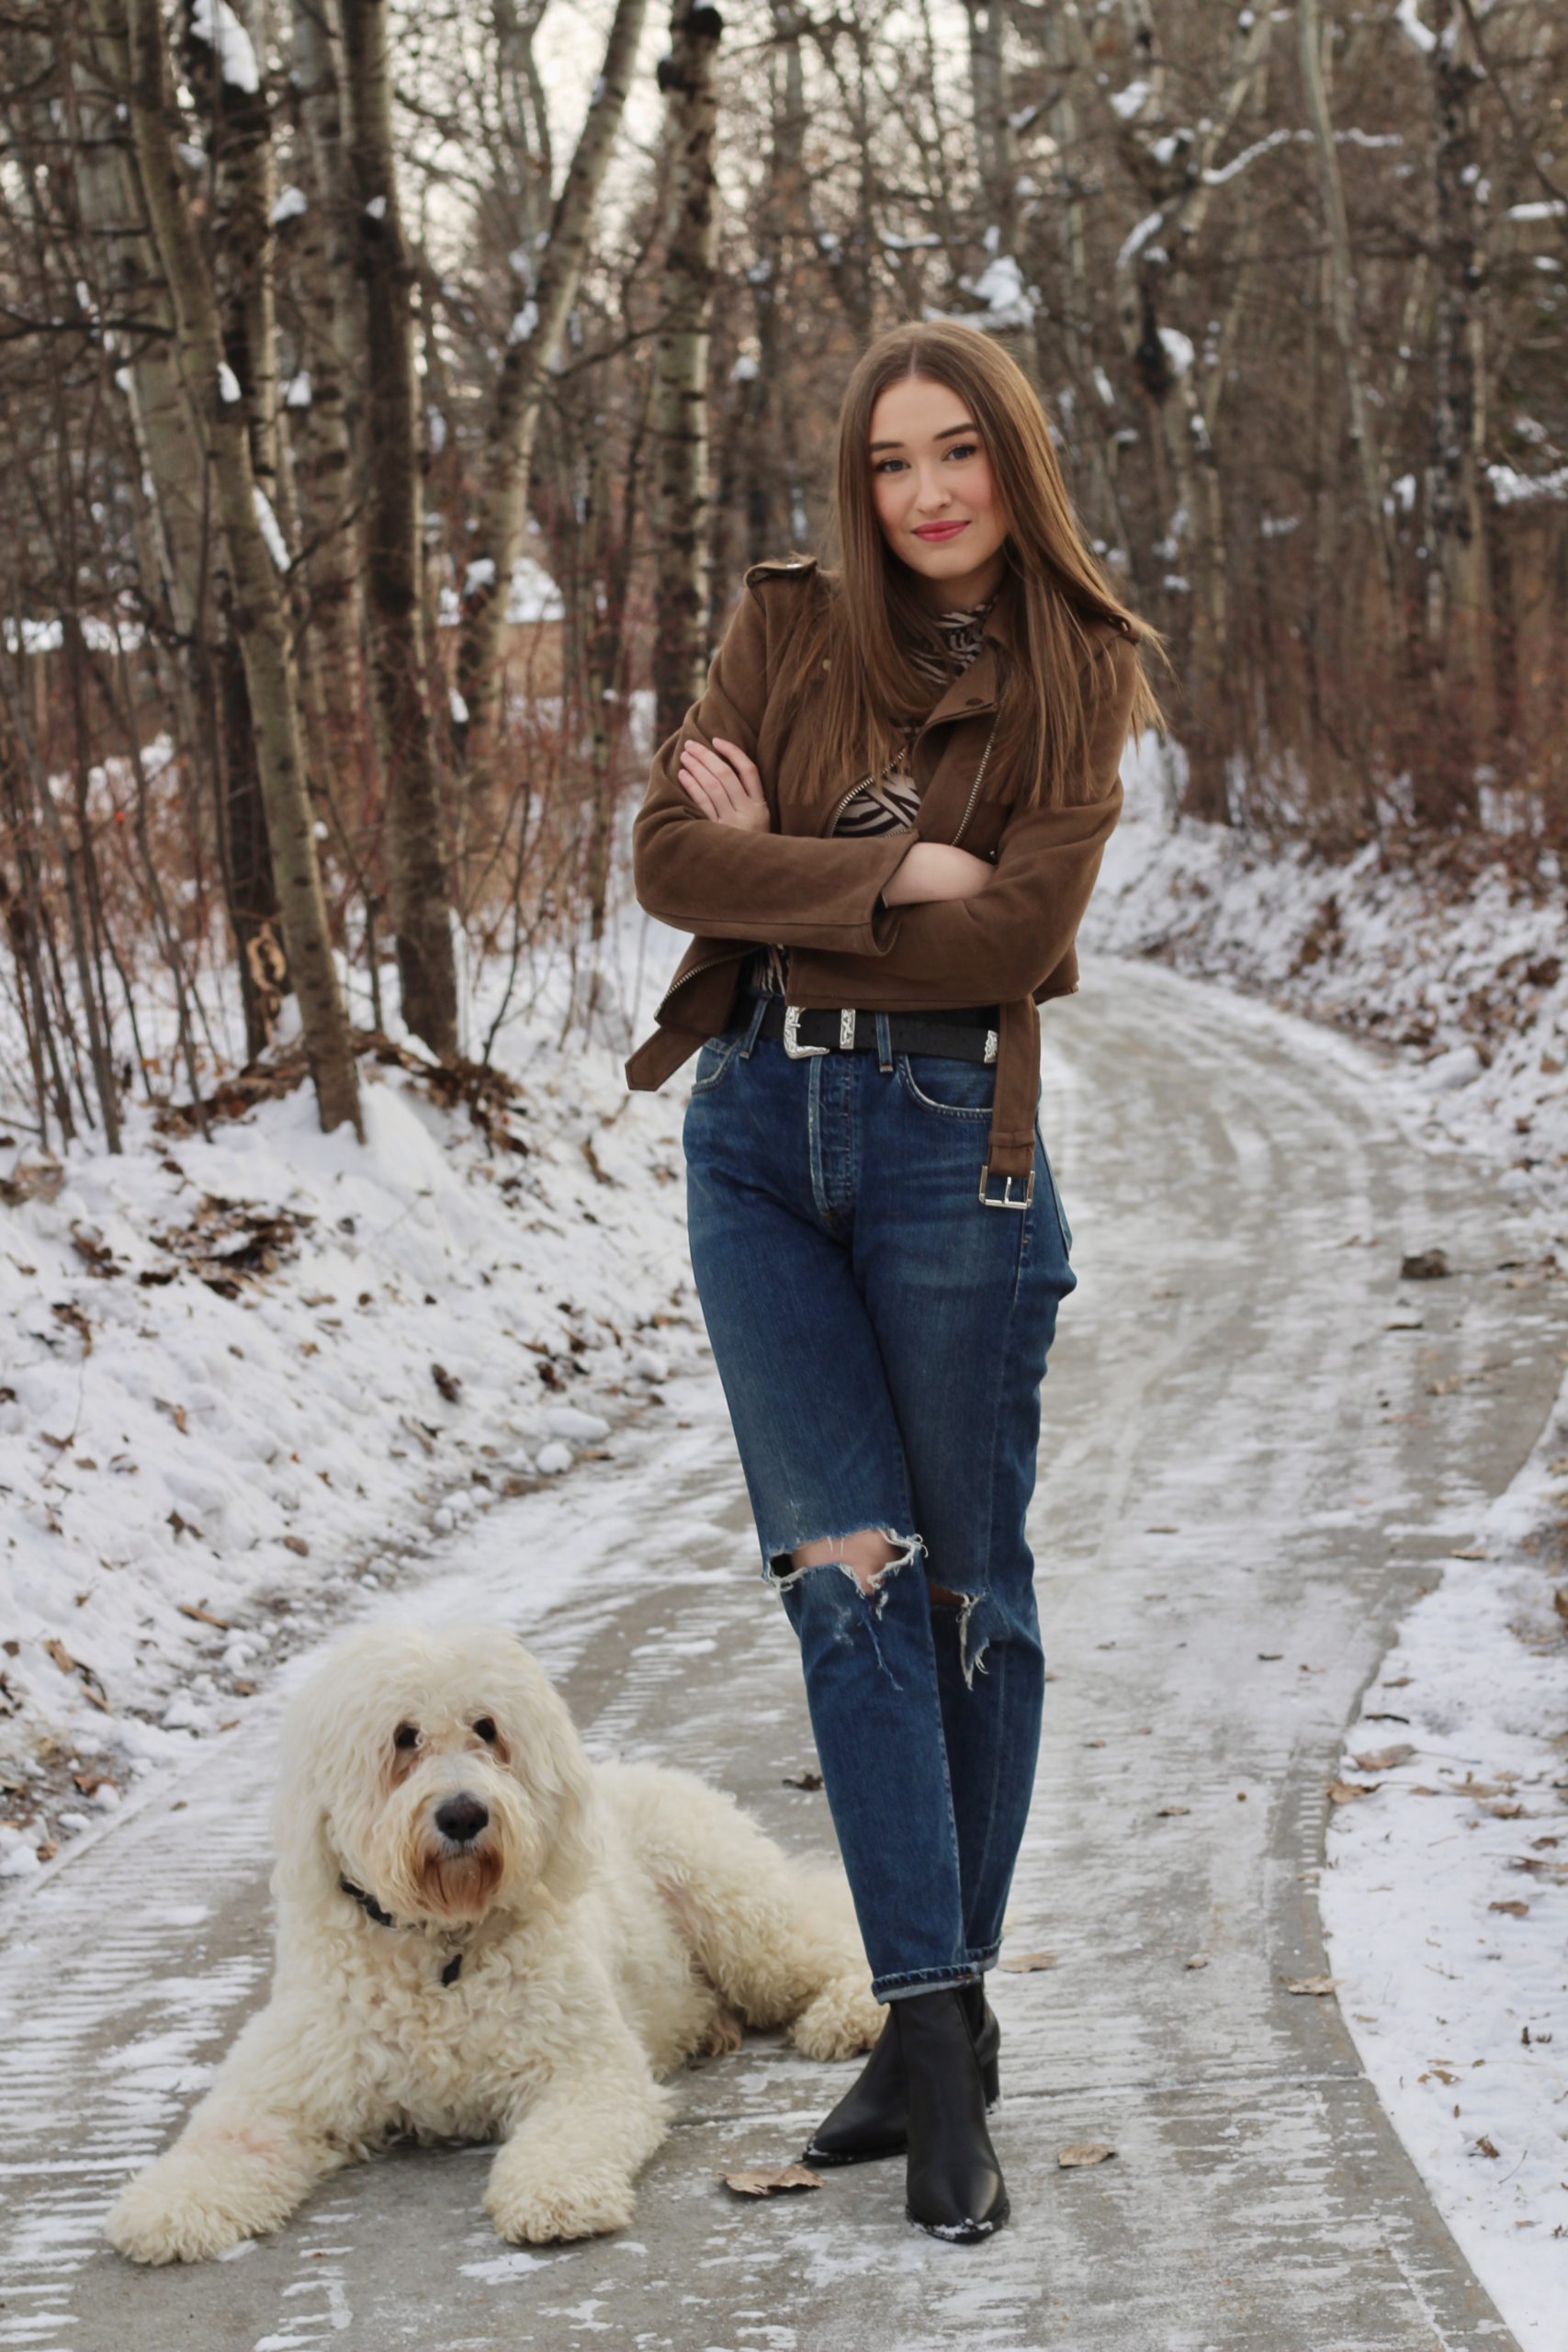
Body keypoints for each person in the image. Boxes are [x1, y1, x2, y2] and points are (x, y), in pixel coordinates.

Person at [624, 319, 1162, 2242]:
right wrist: (900, 878)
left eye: (957, 453)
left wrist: (803, 856)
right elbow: (666, 856)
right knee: (843, 1587)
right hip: (755, 1139)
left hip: (955, 1151)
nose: (924, 491)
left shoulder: (1080, 666)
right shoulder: (785, 626)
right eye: (886, 461)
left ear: (1010, 463)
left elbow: (1018, 933)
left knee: (964, 1598)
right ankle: (933, 2042)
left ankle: (940, 2007)